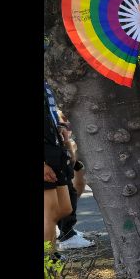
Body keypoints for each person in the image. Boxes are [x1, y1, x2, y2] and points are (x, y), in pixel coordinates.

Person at [55, 111, 95, 250]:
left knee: (75, 190)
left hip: (69, 151)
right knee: (66, 196)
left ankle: (65, 230)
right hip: (62, 152)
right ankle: (66, 234)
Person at [44, 82, 73, 252]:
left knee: (64, 208)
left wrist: (59, 127)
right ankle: (50, 264)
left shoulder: (46, 85)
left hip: (55, 149)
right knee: (49, 212)